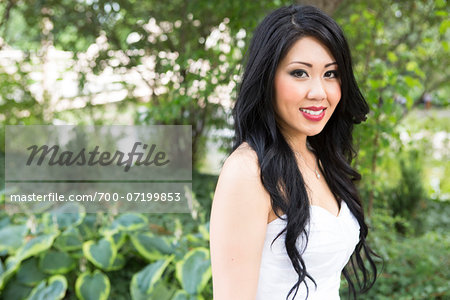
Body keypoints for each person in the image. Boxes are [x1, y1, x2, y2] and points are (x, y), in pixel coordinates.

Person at [209, 4, 378, 300]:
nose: (319, 92)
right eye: (299, 73)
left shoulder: (320, 157)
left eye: (331, 74)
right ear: (266, 78)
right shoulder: (249, 171)